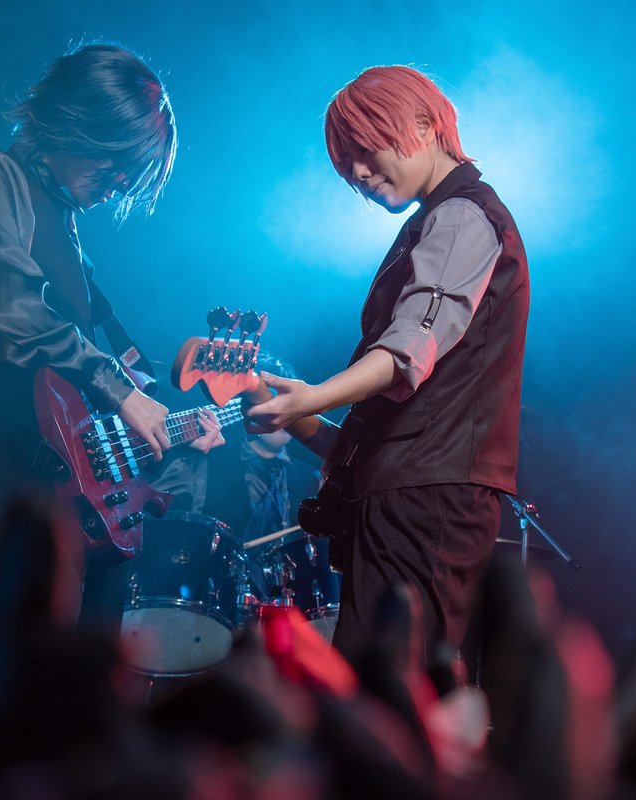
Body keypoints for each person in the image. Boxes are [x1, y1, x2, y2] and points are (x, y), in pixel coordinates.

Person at [245, 65, 529, 666]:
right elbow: (398, 426)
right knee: (384, 687)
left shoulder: (460, 216)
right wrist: (300, 418)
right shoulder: (438, 220)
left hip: (426, 505)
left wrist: (313, 396)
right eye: (345, 162)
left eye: (364, 150)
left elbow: (406, 353)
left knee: (389, 691)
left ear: (423, 125)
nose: (356, 172)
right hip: (412, 499)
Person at [0, 43, 222, 628]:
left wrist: (171, 423)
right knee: (33, 657)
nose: (121, 181)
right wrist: (122, 390)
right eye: (115, 160)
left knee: (88, 665)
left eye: (130, 171)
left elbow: (91, 373)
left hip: (94, 495)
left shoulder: (66, 224)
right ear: (78, 119)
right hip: (25, 475)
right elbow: (15, 318)